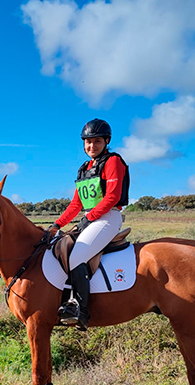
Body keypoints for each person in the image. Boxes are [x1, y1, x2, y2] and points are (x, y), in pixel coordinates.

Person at [48, 118, 130, 331]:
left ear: (106, 141)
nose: (91, 146)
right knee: (60, 246)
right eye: (87, 142)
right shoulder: (84, 168)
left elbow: (112, 197)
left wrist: (90, 217)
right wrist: (57, 224)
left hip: (108, 217)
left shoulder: (113, 161)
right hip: (91, 218)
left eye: (96, 142)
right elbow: (76, 203)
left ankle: (81, 311)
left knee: (77, 255)